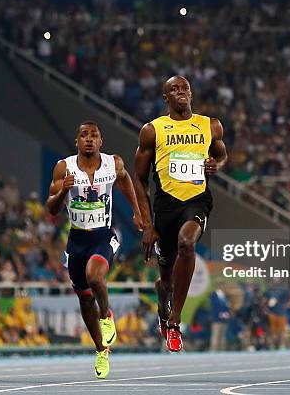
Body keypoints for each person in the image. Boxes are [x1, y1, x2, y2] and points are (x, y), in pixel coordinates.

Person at [134, 75, 227, 352]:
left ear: (191, 93)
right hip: (165, 205)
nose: (181, 92)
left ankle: (174, 322)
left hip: (197, 201)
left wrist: (215, 165)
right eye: (174, 89)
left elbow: (222, 155)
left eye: (185, 87)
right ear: (166, 98)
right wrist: (148, 224)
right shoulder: (152, 130)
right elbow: (139, 179)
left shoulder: (210, 125)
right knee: (166, 277)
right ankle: (164, 296)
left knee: (187, 244)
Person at [46, 121, 142, 379]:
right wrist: (61, 192)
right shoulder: (64, 168)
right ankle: (101, 350)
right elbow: (51, 208)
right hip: (77, 240)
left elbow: (124, 181)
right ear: (76, 141)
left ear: (101, 141)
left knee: (95, 275)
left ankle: (106, 314)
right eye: (83, 135)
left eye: (94, 135)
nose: (89, 139)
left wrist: (136, 211)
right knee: (84, 298)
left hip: (104, 235)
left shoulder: (113, 163)